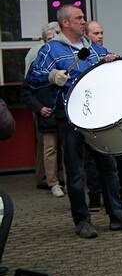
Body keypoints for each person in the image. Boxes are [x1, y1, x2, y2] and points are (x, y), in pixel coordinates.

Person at [26, 5, 122, 238]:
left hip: (98, 117)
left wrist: (111, 61)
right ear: (65, 23)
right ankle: (82, 220)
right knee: (76, 171)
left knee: (107, 167)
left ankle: (118, 216)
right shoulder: (50, 49)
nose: (84, 21)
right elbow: (32, 78)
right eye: (79, 18)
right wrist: (52, 76)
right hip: (69, 118)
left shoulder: (94, 49)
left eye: (83, 18)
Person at [84, 21, 122, 208]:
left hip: (112, 110)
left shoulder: (105, 52)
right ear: (86, 35)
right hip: (94, 113)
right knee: (95, 157)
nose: (100, 36)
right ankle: (95, 196)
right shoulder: (85, 54)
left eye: (101, 32)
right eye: (95, 33)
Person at [23, 22, 63, 191]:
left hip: (55, 107)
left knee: (49, 147)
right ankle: (51, 180)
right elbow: (28, 85)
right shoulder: (38, 56)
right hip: (44, 105)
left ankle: (48, 178)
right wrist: (39, 107)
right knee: (49, 146)